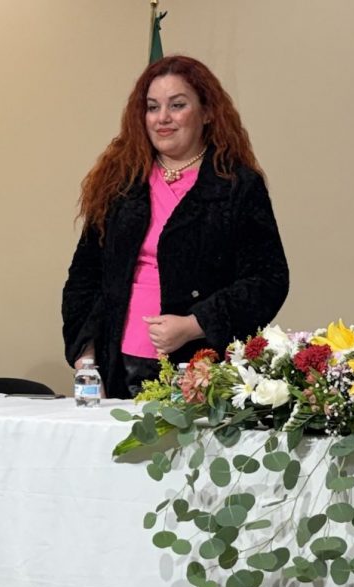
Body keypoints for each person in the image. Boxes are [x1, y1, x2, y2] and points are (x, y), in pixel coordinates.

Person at [61, 55, 289, 398]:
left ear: (207, 112)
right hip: (115, 366)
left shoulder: (237, 185)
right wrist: (86, 362)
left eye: (177, 105)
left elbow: (268, 280)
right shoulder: (120, 182)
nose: (162, 118)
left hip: (202, 370)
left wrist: (195, 324)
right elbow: (84, 277)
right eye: (152, 107)